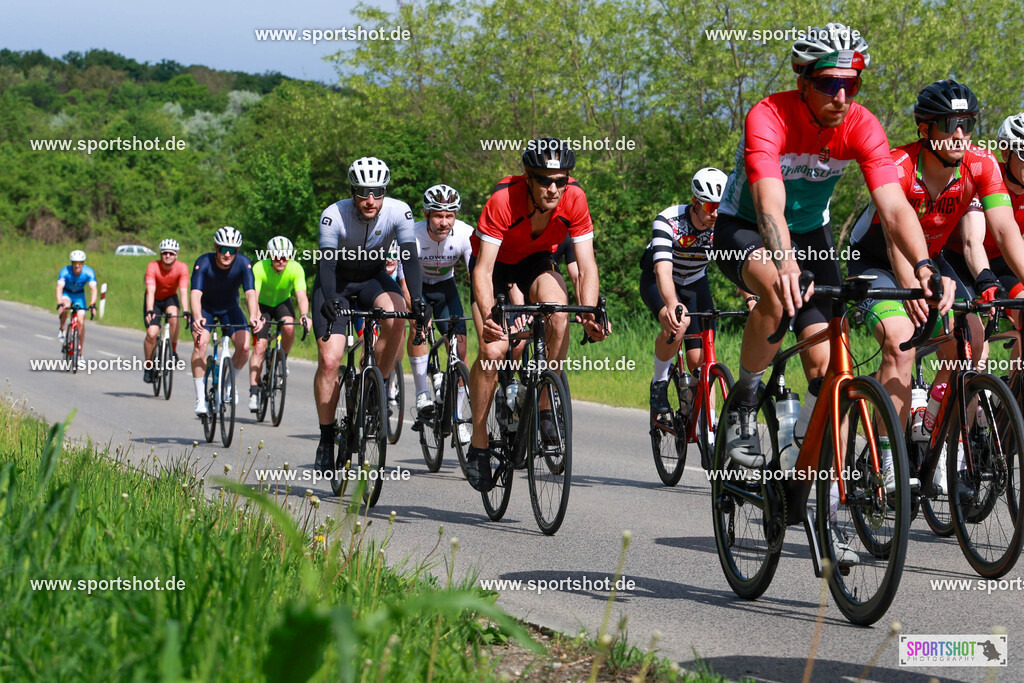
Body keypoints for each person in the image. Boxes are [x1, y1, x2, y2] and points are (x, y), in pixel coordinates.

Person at [713, 23, 952, 564]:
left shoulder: (861, 126)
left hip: (812, 235)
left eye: (852, 83)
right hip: (745, 228)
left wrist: (923, 266)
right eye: (827, 84)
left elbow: (894, 208)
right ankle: (748, 396)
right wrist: (785, 260)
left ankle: (814, 483)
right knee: (777, 291)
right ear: (802, 80)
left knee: (828, 370)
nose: (840, 96)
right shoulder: (768, 116)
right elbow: (770, 205)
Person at [850, 80, 1024, 493]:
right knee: (900, 342)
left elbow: (1005, 231)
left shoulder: (980, 166)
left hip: (930, 257)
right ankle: (889, 462)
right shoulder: (897, 166)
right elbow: (894, 235)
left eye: (966, 123)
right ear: (926, 129)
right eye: (949, 124)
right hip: (876, 260)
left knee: (972, 342)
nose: (960, 134)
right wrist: (913, 286)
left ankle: (939, 439)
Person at [466, 137, 608, 492]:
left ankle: (545, 403)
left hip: (535, 260)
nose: (553, 188)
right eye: (545, 180)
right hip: (494, 265)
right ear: (528, 177)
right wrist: (490, 319)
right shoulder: (503, 200)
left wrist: (590, 312)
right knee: (494, 351)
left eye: (561, 180)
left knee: (558, 313)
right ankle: (479, 441)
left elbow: (587, 265)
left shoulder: (575, 198)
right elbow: (482, 271)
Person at [313, 157, 428, 474]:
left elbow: (410, 259)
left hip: (373, 280)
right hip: (335, 282)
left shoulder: (398, 211)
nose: (370, 200)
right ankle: (325, 438)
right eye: (363, 192)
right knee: (330, 360)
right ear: (352, 191)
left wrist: (416, 299)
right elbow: (325, 264)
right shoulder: (333, 215)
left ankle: (380, 384)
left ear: (384, 192)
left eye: (377, 192)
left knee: (398, 314)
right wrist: (330, 298)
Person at [642, 167, 729, 415]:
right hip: (659, 279)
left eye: (721, 208)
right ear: (695, 202)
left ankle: (708, 428)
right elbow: (662, 270)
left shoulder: (722, 226)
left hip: (695, 282)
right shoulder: (668, 220)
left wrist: (752, 298)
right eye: (711, 207)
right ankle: (659, 382)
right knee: (677, 326)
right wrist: (672, 304)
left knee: (701, 359)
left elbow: (736, 265)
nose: (716, 214)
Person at [408, 184, 473, 440]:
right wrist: (415, 305)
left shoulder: (466, 234)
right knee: (417, 326)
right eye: (437, 215)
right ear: (426, 215)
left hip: (446, 288)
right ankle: (422, 393)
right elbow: (404, 277)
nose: (443, 222)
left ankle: (458, 418)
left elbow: (476, 272)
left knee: (461, 347)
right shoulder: (411, 235)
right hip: (417, 285)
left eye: (449, 216)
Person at [189, 227, 264, 415]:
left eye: (232, 250)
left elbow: (250, 293)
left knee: (245, 346)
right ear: (216, 247)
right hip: (205, 309)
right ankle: (200, 400)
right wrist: (197, 317)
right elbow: (195, 293)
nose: (227, 254)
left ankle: (230, 385)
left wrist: (254, 315)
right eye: (223, 249)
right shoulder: (203, 262)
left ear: (238, 251)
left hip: (230, 309)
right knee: (201, 344)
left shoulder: (244, 264)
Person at [248, 236, 311, 411]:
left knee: (289, 326)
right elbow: (254, 295)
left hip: (283, 303)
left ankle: (283, 358)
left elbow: (301, 296)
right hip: (263, 305)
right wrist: (257, 315)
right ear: (270, 255)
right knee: (260, 347)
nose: (282, 260)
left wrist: (305, 315)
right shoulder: (259, 267)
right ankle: (253, 391)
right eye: (277, 256)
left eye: (286, 256)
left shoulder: (295, 268)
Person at [143, 239, 189, 384]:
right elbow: (150, 290)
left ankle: (173, 350)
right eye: (165, 253)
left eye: (171, 253)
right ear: (161, 254)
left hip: (170, 298)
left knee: (174, 317)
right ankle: (149, 366)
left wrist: (187, 311)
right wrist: (150, 310)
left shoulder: (182, 268)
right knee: (151, 334)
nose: (168, 255)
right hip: (154, 300)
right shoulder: (153, 266)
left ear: (176, 255)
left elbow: (183, 291)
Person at [56, 249, 98, 350]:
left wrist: (92, 304)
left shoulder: (89, 272)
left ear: (83, 263)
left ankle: (79, 352)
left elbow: (93, 289)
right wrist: (59, 303)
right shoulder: (65, 271)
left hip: (79, 295)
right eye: (75, 262)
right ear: (72, 263)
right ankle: (62, 328)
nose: (77, 265)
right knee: (65, 306)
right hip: (67, 293)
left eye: (80, 263)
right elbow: (59, 288)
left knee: (81, 323)